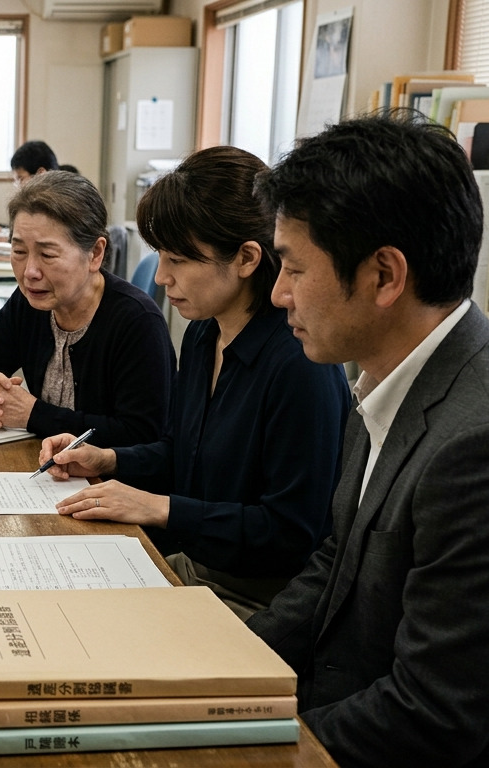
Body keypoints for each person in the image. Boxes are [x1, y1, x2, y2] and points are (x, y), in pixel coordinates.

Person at [245, 112, 489, 766]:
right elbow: (337, 562)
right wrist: (221, 668)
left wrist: (254, 751)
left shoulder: (473, 442)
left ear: (383, 276)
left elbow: (435, 710)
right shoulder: (383, 373)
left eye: (293, 269)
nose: (276, 295)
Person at [38, 146, 351, 619]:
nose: (162, 277)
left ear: (247, 258)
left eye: (179, 260)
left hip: (260, 599)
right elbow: (185, 453)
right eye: (160, 257)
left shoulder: (298, 363)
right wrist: (107, 458)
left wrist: (159, 508)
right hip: (198, 567)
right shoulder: (204, 332)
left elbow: (291, 533)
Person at [0, 171, 174, 447]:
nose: (30, 272)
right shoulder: (29, 303)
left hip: (110, 485)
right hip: (48, 472)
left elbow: (141, 435)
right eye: (19, 252)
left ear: (95, 254)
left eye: (48, 255)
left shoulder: (137, 322)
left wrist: (33, 414)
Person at [0, 140, 60, 239]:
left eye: (21, 178)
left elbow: (38, 239)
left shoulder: (59, 204)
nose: (18, 185)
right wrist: (1, 230)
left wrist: (3, 235)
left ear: (41, 174)